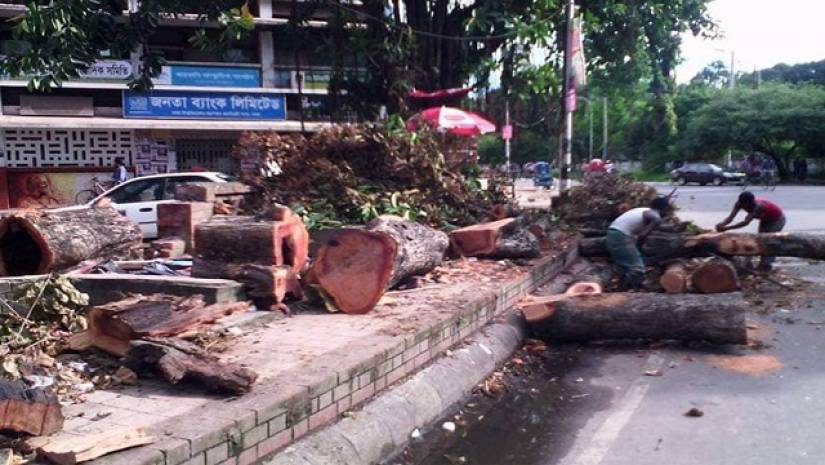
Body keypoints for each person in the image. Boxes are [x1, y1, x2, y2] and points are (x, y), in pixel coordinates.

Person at [606, 197, 672, 289]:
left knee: (624, 267)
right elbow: (642, 235)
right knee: (637, 269)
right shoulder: (656, 217)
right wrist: (639, 248)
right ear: (665, 208)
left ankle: (620, 290)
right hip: (620, 235)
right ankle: (629, 293)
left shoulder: (643, 210)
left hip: (612, 233)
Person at [716, 191, 786, 271]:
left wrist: (727, 228)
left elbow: (746, 222)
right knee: (761, 240)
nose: (744, 206)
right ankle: (756, 264)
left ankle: (766, 265)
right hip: (765, 220)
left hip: (777, 220)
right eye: (743, 204)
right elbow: (731, 217)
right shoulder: (739, 204)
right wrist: (722, 224)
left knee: (769, 241)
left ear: (751, 203)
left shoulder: (758, 207)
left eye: (746, 205)